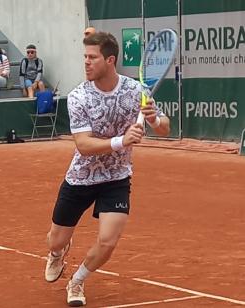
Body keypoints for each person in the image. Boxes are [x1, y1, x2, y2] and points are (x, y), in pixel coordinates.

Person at [44, 31, 170, 307]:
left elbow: (164, 126)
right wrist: (121, 141)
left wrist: (155, 120)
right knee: (55, 239)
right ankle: (58, 252)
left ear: (109, 60)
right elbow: (84, 145)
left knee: (108, 240)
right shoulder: (78, 96)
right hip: (80, 177)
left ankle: (77, 281)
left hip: (116, 177)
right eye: (84, 57)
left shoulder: (136, 91)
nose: (86, 63)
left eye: (92, 57)